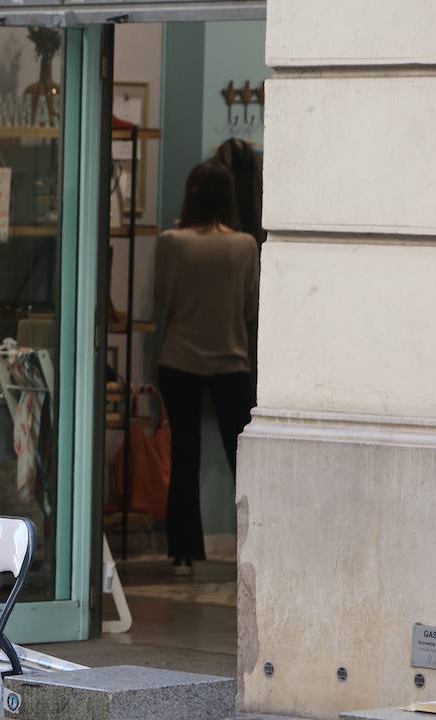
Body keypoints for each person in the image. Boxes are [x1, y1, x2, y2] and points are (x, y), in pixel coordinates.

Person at [153, 159, 259, 575]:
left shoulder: (171, 241)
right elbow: (250, 306)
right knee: (241, 456)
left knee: (184, 455)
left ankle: (183, 553)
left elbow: (163, 296)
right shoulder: (246, 245)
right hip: (231, 357)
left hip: (179, 357)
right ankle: (253, 545)